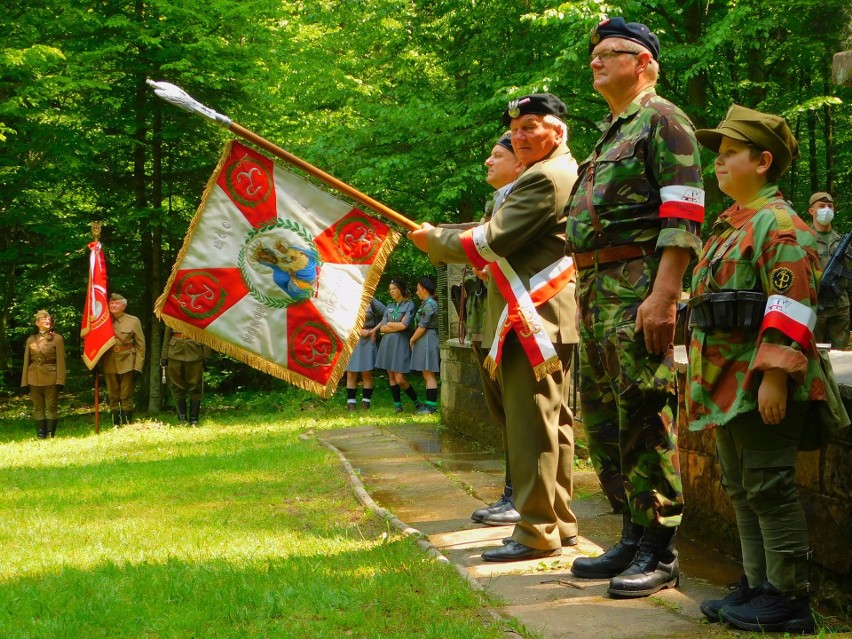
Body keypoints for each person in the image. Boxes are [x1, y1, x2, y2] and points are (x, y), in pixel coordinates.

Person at [565, 17, 704, 597]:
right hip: (598, 289)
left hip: (638, 282)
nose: (595, 61)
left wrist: (665, 293)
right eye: (593, 54)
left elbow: (684, 212)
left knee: (645, 411)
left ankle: (660, 547)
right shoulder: (611, 130)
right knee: (604, 418)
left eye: (609, 53)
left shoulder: (664, 120)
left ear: (643, 61)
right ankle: (630, 530)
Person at [409, 92, 580, 562]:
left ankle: (537, 529)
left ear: (558, 131)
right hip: (537, 315)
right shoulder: (548, 172)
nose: (520, 136)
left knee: (532, 427)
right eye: (516, 129)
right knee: (551, 424)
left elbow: (494, 237)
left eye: (531, 127)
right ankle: (557, 523)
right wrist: (439, 233)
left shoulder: (546, 176)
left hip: (535, 317)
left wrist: (436, 242)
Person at [688, 105, 818, 634]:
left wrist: (775, 376)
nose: (716, 164)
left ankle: (788, 598)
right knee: (742, 486)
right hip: (727, 384)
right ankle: (758, 584)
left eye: (728, 155)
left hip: (757, 382)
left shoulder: (778, 224)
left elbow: (792, 306)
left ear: (762, 161)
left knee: (769, 486)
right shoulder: (732, 225)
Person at [469, 132, 524, 527]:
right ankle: (513, 489)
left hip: (519, 322)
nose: (488, 162)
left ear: (519, 163)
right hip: (490, 321)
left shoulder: (525, 200)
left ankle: (522, 495)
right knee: (504, 414)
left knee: (522, 416)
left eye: (496, 156)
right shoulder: (497, 203)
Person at [808, 191, 851, 349]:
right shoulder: (805, 239)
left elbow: (849, 278)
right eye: (821, 206)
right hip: (815, 308)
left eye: (830, 206)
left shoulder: (841, 241)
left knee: (841, 357)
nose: (827, 209)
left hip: (840, 308)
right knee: (815, 356)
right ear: (811, 211)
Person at [375, 279, 420, 412]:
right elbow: (382, 328)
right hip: (388, 343)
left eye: (393, 289)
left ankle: (417, 403)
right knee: (391, 375)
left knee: (399, 378)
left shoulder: (409, 305)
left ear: (400, 289)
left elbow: (405, 325)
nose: (391, 291)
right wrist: (395, 326)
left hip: (400, 343)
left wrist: (390, 324)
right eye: (390, 289)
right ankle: (397, 405)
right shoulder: (389, 305)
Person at [100, 293, 145, 425]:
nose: (113, 305)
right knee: (113, 395)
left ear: (124, 306)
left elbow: (141, 345)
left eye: (117, 303)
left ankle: (126, 422)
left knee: (126, 394)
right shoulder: (104, 321)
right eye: (111, 303)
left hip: (127, 361)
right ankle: (115, 422)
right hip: (109, 361)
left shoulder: (133, 321)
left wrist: (138, 366)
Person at [21, 310, 66, 439]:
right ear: (37, 322)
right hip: (33, 377)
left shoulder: (57, 339)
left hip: (51, 376)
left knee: (51, 405)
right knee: (38, 407)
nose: (47, 321)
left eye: (48, 319)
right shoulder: (31, 340)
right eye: (43, 319)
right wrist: (24, 382)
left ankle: (51, 433)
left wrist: (60, 380)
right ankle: (41, 433)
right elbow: (26, 362)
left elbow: (61, 361)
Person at [161, 326, 209, 425]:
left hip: (194, 350)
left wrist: (206, 355)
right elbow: (167, 336)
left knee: (195, 385)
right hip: (175, 351)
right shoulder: (173, 312)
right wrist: (164, 356)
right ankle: (182, 418)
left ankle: (193, 418)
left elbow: (205, 333)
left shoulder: (199, 311)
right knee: (176, 386)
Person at [345, 297, 386, 411]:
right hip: (351, 338)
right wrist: (357, 331)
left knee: (366, 373)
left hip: (368, 339)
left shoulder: (371, 300)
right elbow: (339, 320)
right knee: (351, 373)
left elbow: (388, 314)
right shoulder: (344, 298)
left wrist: (375, 330)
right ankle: (351, 405)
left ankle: (365, 405)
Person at [409, 277, 440, 414]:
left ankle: (431, 407)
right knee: (426, 373)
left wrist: (412, 340)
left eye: (418, 289)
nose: (417, 292)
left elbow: (422, 326)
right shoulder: (426, 303)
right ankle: (429, 405)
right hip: (424, 338)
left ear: (424, 289)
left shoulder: (430, 304)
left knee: (429, 373)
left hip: (427, 337)